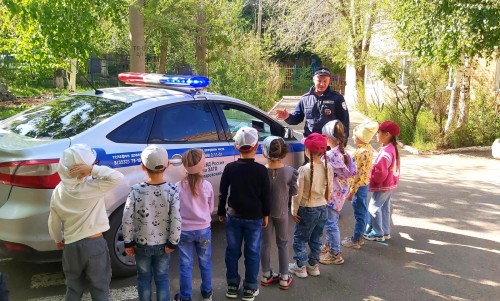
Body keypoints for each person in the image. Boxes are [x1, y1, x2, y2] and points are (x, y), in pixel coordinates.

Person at [48, 144, 124, 301]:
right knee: (99, 287)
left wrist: (57, 239)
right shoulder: (93, 187)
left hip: (70, 246)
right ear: (85, 167)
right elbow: (118, 177)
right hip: (94, 243)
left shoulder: (58, 191)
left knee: (73, 287)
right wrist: (92, 170)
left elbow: (53, 221)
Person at [122, 145, 181, 301]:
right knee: (162, 277)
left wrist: (128, 243)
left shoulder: (135, 190)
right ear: (167, 165)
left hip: (141, 244)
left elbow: (127, 218)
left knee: (143, 278)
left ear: (143, 167)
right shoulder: (172, 190)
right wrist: (173, 242)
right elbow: (176, 218)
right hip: (164, 245)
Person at [218, 126, 270, 301]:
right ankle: (250, 288)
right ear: (256, 147)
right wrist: (266, 214)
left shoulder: (230, 168)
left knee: (232, 252)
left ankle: (232, 285)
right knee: (252, 252)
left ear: (235, 146)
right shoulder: (262, 170)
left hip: (233, 216)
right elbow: (265, 195)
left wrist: (220, 212)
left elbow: (223, 192)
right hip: (254, 217)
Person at [288, 133, 333, 279]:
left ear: (307, 151)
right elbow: (330, 189)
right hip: (323, 208)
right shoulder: (328, 167)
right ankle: (313, 265)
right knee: (317, 238)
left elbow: (297, 193)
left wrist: (294, 210)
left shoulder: (304, 169)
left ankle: (300, 267)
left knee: (300, 238)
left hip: (307, 208)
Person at [174, 149, 213, 301]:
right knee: (205, 262)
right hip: (204, 230)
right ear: (203, 165)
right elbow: (210, 209)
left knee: (185, 264)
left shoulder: (177, 186)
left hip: (184, 231)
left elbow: (176, 209)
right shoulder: (207, 185)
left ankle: (185, 296)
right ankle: (207, 293)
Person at [259, 136, 298, 290]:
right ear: (284, 152)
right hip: (282, 212)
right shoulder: (290, 171)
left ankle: (266, 274)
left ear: (265, 153)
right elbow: (294, 191)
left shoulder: (260, 171)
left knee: (265, 244)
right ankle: (284, 276)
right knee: (283, 243)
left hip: (264, 214)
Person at [275, 67, 349, 141]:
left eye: (325, 81)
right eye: (319, 80)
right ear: (313, 79)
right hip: (310, 144)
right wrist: (287, 117)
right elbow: (297, 119)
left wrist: (343, 143)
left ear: (329, 80)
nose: (322, 84)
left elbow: (344, 122)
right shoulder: (305, 99)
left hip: (329, 144)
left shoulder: (337, 98)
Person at [319, 120, 356, 265]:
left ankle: (335, 253)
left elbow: (320, 173)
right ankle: (329, 246)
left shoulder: (329, 156)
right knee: (332, 222)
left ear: (328, 138)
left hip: (331, 195)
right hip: (340, 194)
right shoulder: (345, 154)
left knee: (331, 224)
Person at [341, 120, 379, 249]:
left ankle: (356, 239)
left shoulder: (360, 153)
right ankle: (358, 237)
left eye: (354, 136)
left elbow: (358, 175)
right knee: (361, 212)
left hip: (359, 187)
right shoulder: (367, 149)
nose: (352, 138)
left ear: (360, 138)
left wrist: (352, 191)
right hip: (363, 185)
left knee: (360, 213)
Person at [363, 121, 401, 242]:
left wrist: (373, 179)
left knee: (373, 207)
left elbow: (381, 172)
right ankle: (385, 231)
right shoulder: (391, 148)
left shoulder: (385, 152)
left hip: (383, 184)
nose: (376, 135)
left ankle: (378, 233)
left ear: (387, 134)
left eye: (378, 132)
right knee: (385, 207)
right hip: (389, 184)